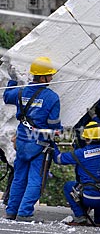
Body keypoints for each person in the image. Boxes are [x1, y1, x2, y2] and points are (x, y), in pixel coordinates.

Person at [3, 56, 62, 222]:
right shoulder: (52, 98)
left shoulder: (21, 91)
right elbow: (54, 125)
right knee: (35, 179)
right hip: (39, 143)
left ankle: (11, 211)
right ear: (42, 77)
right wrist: (59, 131)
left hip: (21, 141)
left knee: (19, 177)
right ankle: (25, 213)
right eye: (50, 75)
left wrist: (13, 79)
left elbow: (7, 96)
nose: (52, 78)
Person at [53, 117, 100, 227]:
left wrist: (51, 142)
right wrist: (96, 117)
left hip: (90, 198)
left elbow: (58, 158)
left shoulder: (80, 154)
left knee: (68, 187)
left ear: (86, 139)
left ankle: (80, 215)